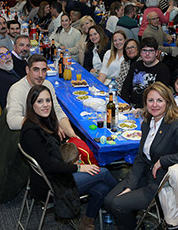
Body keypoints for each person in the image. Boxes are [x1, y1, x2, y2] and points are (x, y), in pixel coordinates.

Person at [21, 85, 117, 230]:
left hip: (53, 174)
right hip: (51, 184)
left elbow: (52, 154)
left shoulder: (42, 121)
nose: (45, 105)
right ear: (31, 104)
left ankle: (87, 222)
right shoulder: (31, 132)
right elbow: (49, 165)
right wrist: (78, 167)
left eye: (48, 100)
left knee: (102, 188)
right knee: (102, 172)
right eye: (40, 101)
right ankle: (123, 202)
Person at [105, 81, 178, 230]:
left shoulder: (176, 125)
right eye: (150, 100)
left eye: (159, 100)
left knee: (118, 204)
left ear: (168, 103)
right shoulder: (147, 122)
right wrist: (131, 185)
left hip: (160, 183)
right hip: (145, 174)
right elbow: (141, 157)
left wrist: (163, 160)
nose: (154, 105)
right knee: (109, 201)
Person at [6, 54, 77, 139]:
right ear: (27, 70)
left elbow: (57, 110)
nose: (40, 75)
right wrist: (44, 126)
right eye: (36, 70)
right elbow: (12, 121)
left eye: (44, 70)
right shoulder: (17, 90)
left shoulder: (47, 85)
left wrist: (72, 135)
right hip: (28, 137)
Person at [121, 37, 171, 108]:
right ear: (140, 52)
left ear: (156, 53)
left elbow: (159, 96)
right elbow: (125, 88)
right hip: (130, 105)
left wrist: (138, 108)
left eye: (150, 51)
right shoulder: (135, 65)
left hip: (150, 108)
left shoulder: (163, 70)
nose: (147, 54)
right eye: (144, 51)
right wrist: (126, 105)